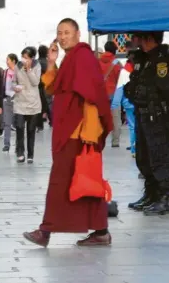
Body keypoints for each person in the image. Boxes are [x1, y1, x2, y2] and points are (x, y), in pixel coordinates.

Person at [23, 18, 113, 247]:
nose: (62, 37)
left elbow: (92, 96)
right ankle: (101, 231)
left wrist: (89, 133)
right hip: (71, 129)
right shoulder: (69, 59)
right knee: (85, 180)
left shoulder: (83, 56)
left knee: (62, 182)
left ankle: (45, 231)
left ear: (78, 34)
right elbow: (53, 88)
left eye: (67, 32)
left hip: (79, 132)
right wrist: (52, 62)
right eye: (59, 33)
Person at [125, 31, 169, 215]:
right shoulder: (142, 59)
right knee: (144, 156)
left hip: (157, 117)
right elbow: (133, 84)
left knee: (160, 156)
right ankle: (151, 193)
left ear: (148, 38)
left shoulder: (161, 59)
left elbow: (164, 87)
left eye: (137, 36)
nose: (134, 40)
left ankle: (165, 197)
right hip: (142, 114)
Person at [13, 46, 42, 163]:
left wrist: (29, 70)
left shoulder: (37, 66)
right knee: (19, 128)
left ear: (32, 58)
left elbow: (36, 82)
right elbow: (14, 80)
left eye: (26, 58)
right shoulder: (17, 66)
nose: (24, 60)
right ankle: (20, 152)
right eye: (22, 57)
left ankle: (30, 154)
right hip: (20, 101)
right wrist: (15, 86)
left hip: (33, 103)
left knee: (31, 130)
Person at [112, 50, 136, 157]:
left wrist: (114, 105)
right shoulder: (143, 68)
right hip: (143, 102)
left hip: (129, 103)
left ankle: (134, 149)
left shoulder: (124, 71)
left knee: (132, 126)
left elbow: (119, 90)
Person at [99, 41, 122, 147]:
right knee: (116, 119)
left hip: (101, 95)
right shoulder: (117, 63)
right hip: (114, 94)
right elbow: (121, 80)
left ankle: (99, 139)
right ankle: (115, 141)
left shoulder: (98, 62)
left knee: (100, 118)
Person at [2, 53, 18, 152]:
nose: (6, 61)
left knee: (18, 124)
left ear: (13, 61)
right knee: (7, 123)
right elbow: (3, 85)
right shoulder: (5, 72)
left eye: (8, 59)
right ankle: (6, 144)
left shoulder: (19, 71)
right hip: (7, 99)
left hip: (17, 99)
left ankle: (18, 145)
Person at [36, 45, 52, 130]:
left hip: (39, 86)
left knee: (40, 105)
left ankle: (39, 124)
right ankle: (52, 121)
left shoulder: (37, 62)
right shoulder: (47, 62)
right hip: (46, 86)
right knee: (49, 104)